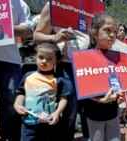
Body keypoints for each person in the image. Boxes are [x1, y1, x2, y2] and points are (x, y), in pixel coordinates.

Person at [33, 3, 90, 141]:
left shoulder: (92, 4)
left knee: (89, 111)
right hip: (67, 66)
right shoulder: (54, 3)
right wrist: (54, 38)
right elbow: (36, 36)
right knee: (68, 113)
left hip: (90, 66)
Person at [0, 0, 34, 140]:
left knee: (11, 103)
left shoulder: (20, 4)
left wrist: (3, 25)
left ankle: (9, 137)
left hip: (8, 60)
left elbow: (28, 30)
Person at [14, 42, 72, 140]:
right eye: (41, 57)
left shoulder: (58, 80)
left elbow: (64, 98)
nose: (44, 61)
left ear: (57, 61)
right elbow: (21, 93)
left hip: (50, 122)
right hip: (29, 122)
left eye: (49, 59)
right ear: (35, 57)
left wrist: (57, 112)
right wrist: (17, 105)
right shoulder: (28, 76)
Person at [84, 13, 124, 141]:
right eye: (107, 30)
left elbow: (118, 81)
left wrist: (120, 93)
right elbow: (82, 87)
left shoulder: (117, 58)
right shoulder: (85, 57)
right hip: (94, 113)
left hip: (113, 112)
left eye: (114, 31)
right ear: (94, 33)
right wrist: (99, 100)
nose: (112, 35)